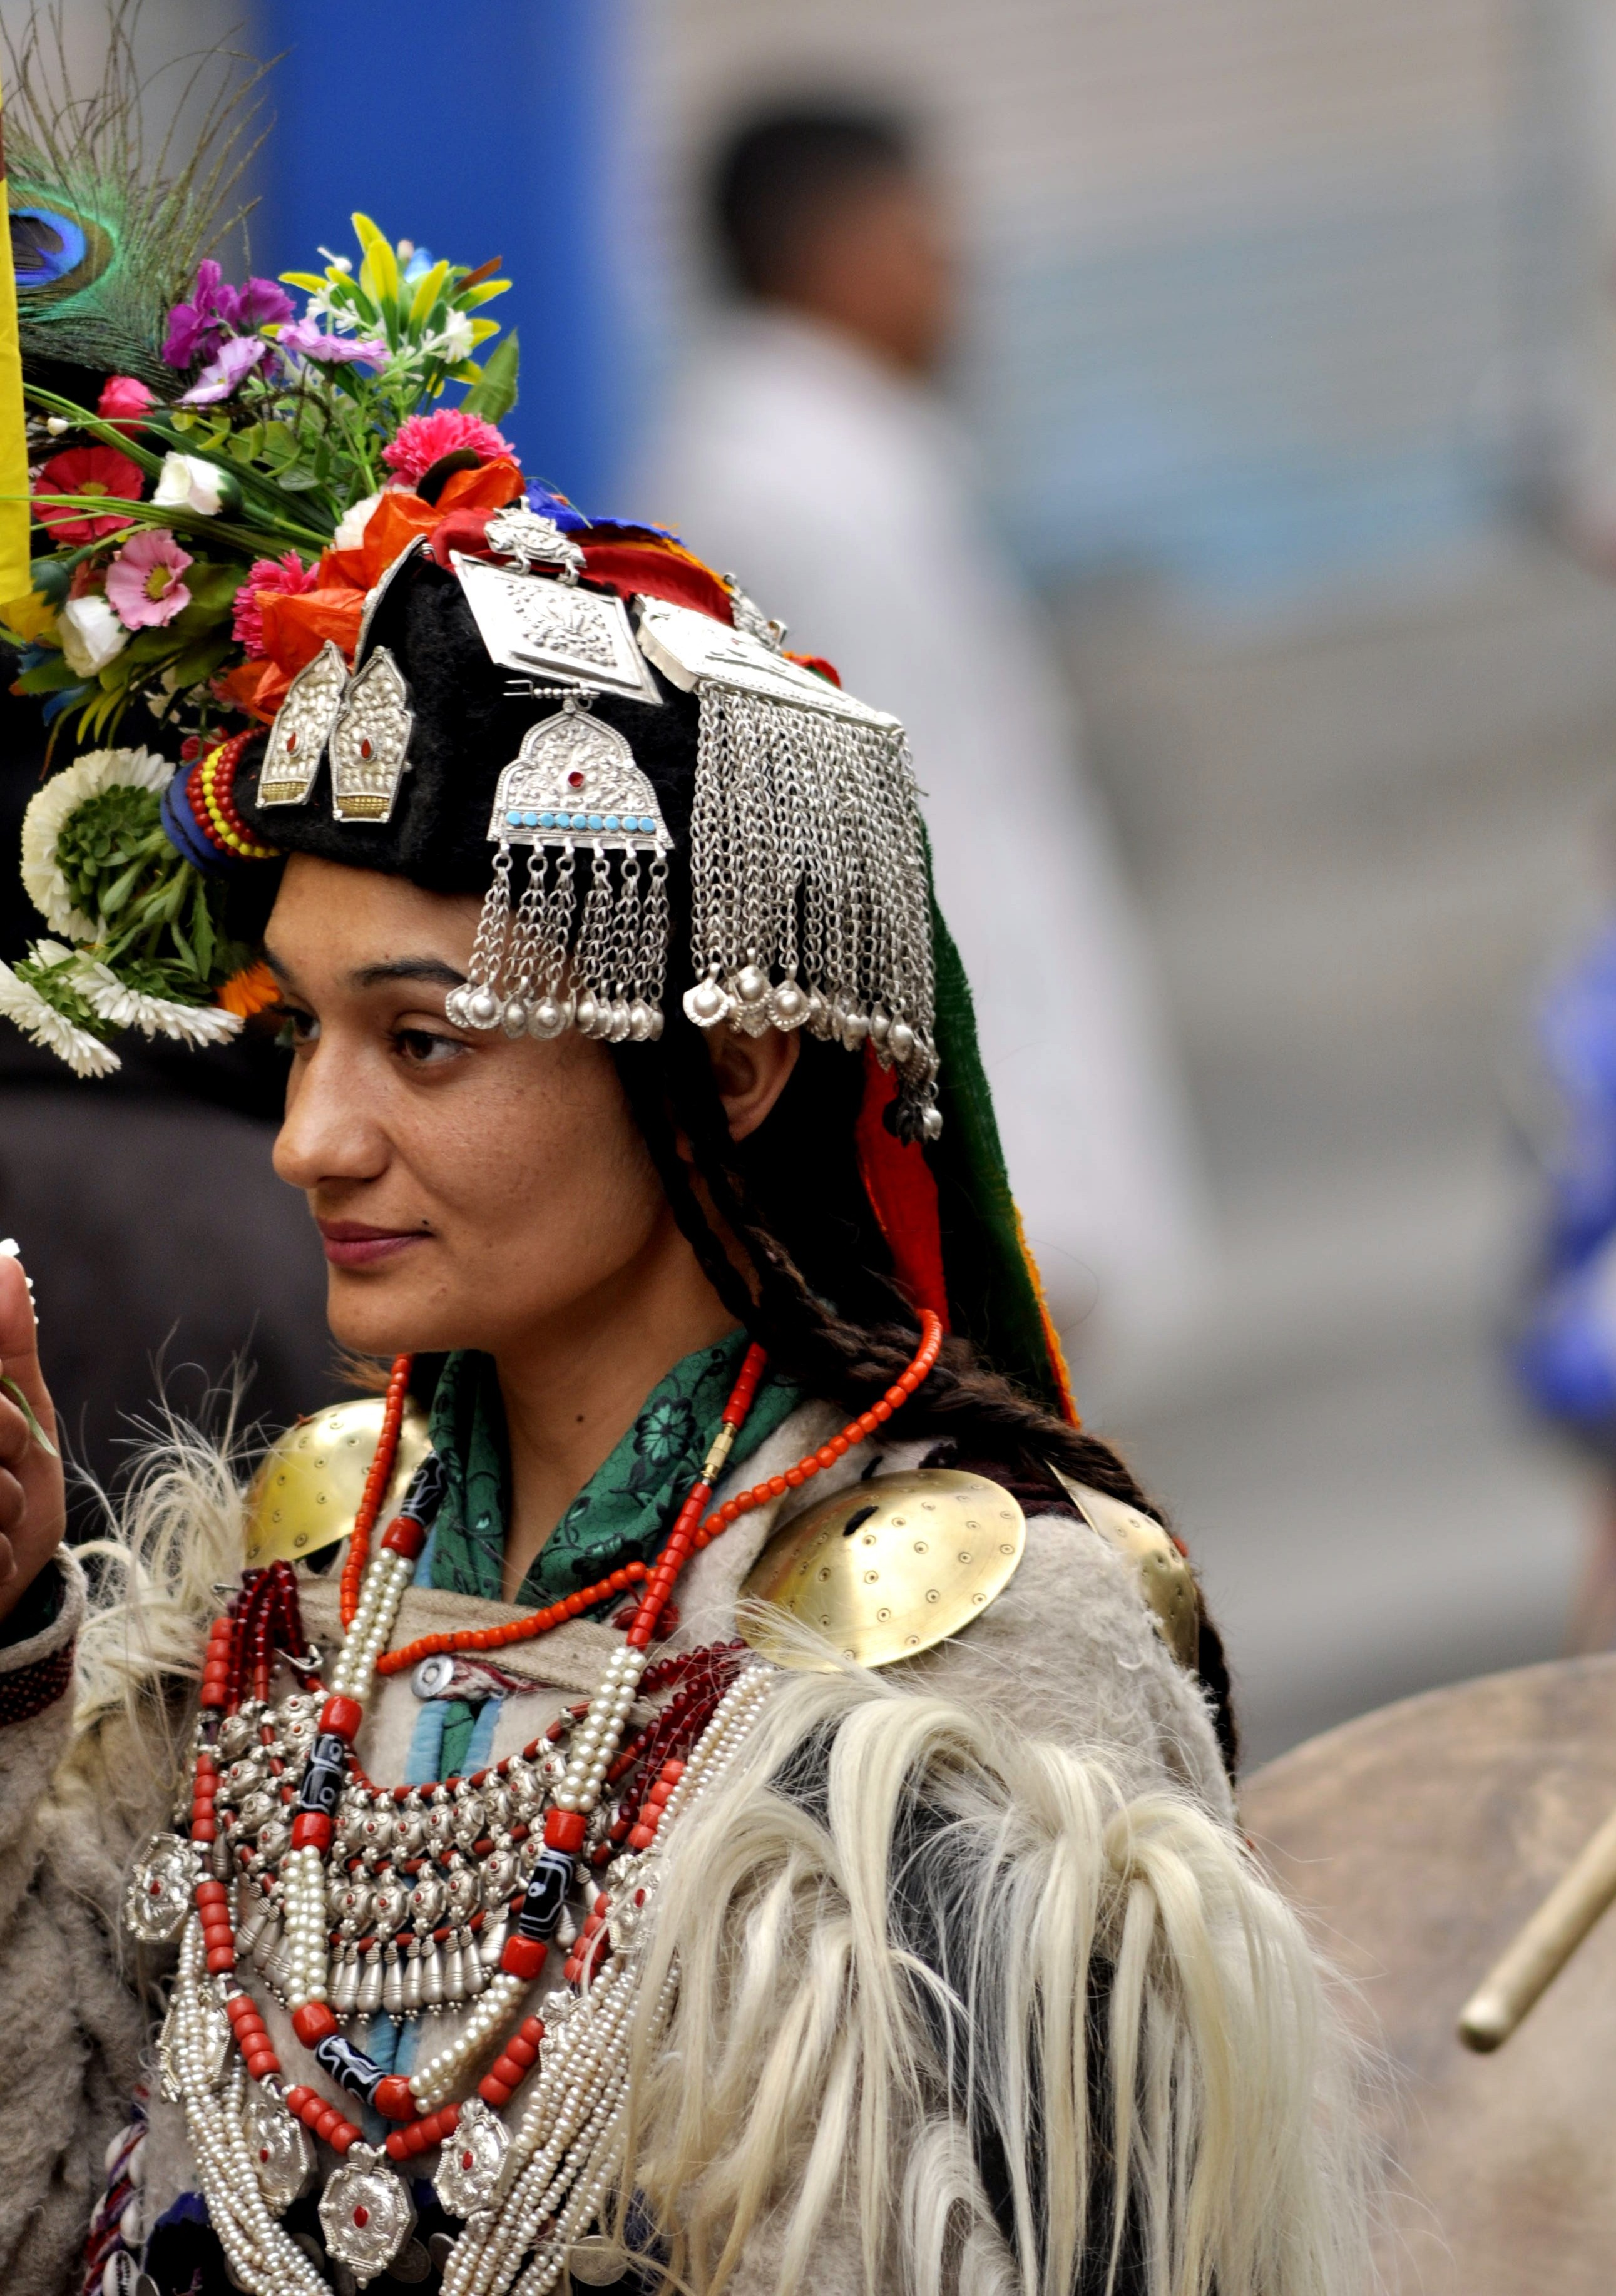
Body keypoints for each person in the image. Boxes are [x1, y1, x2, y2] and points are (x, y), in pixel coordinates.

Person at [0, 183, 1366, 2296]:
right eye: (299, 1033)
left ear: (724, 1070)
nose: (311, 1138)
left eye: (425, 1043)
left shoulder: (984, 1654)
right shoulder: (264, 1607)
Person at [634, 103, 1215, 1370]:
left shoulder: (850, 448)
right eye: (926, 241)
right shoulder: (774, 476)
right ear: (837, 248)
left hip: (984, 1057)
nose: (956, 279)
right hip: (937, 1083)